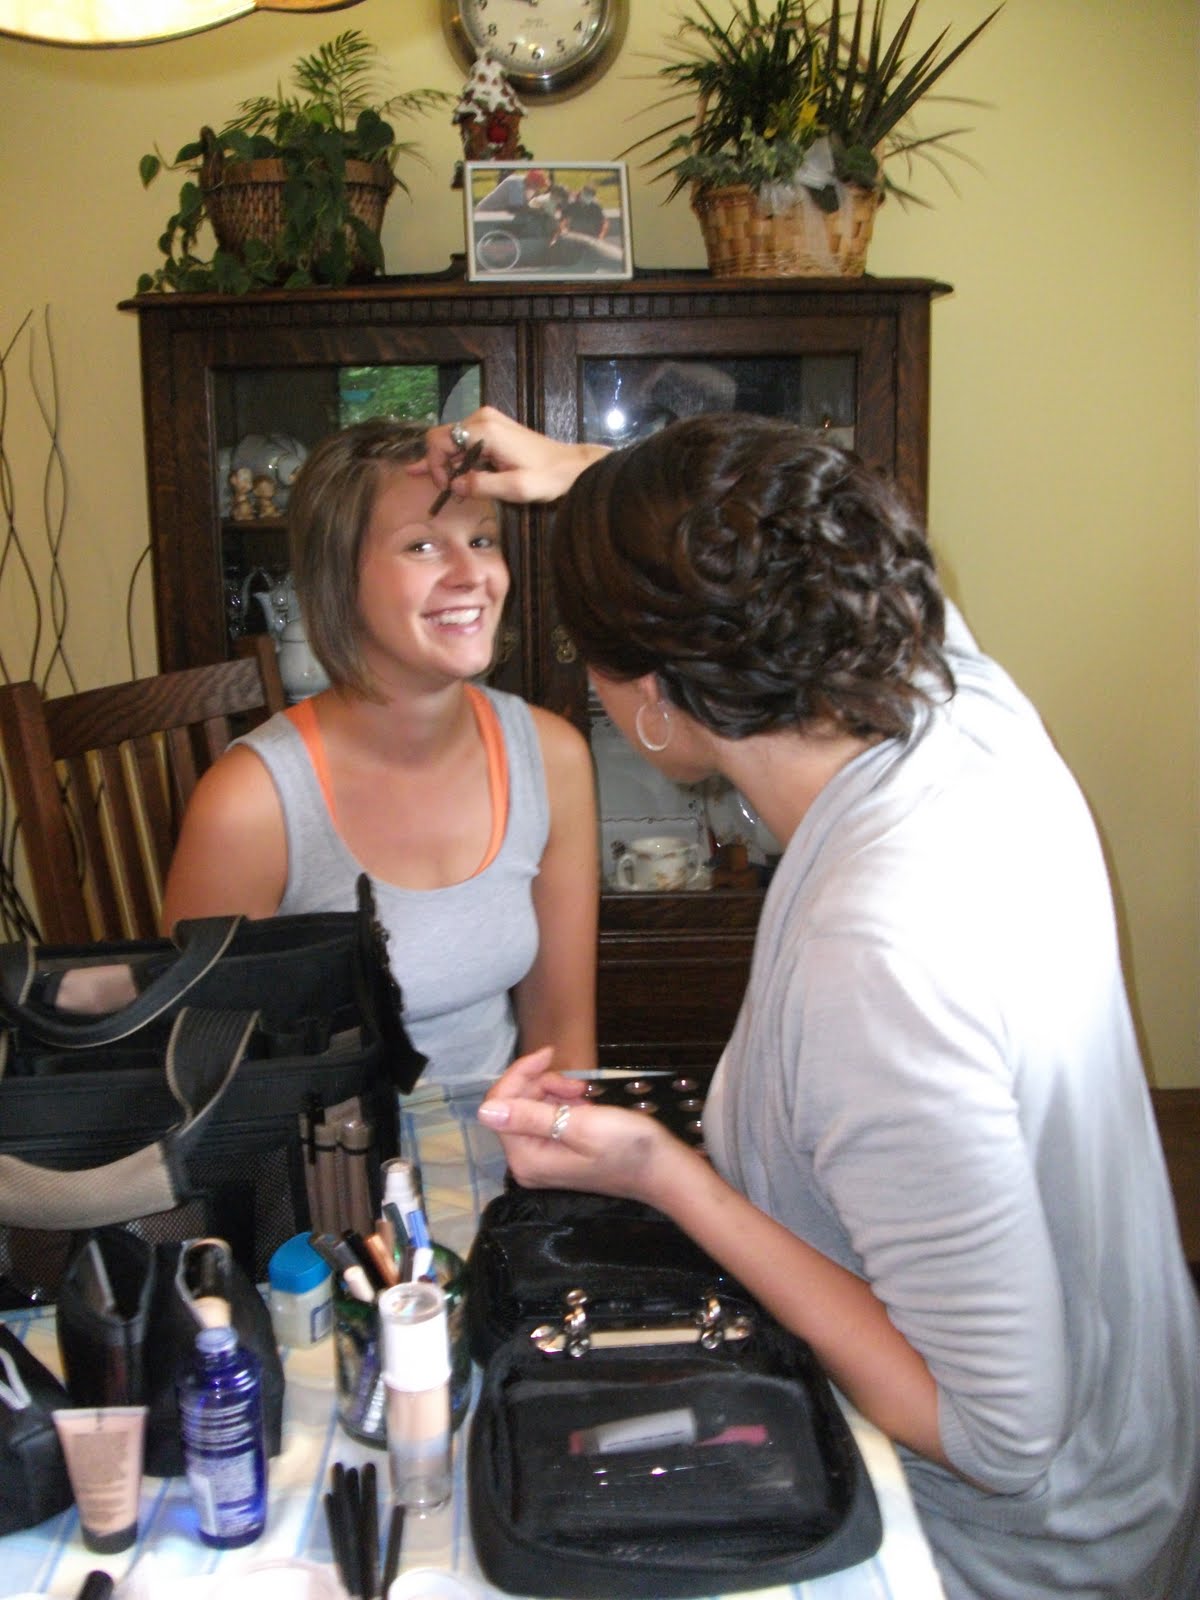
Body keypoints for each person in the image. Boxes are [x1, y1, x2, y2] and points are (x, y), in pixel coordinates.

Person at [416, 406, 1200, 1600]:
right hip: (1149, 1424)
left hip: (1017, 1546)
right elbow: (798, 525)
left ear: (653, 700)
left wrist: (669, 1178)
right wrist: (586, 476)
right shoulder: (956, 697)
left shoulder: (873, 954)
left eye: (588, 656)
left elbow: (995, 1433)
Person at [163, 417, 598, 1093]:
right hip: (328, 1152)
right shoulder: (250, 805)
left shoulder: (552, 758)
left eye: (482, 540)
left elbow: (562, 1035)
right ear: (338, 580)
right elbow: (206, 1082)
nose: (471, 576)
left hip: (502, 1143)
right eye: (422, 546)